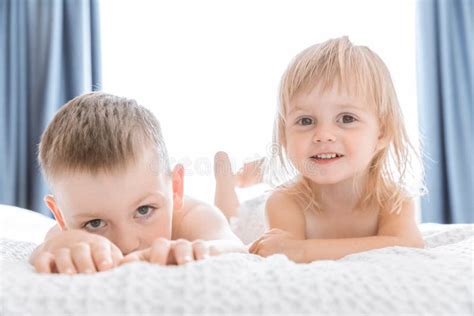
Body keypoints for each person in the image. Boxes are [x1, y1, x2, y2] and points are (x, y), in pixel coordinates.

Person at [215, 36, 425, 262]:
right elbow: (281, 253)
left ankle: (260, 171)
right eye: (305, 121)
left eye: (346, 118)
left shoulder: (394, 200)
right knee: (228, 223)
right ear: (285, 136)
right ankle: (227, 180)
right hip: (255, 219)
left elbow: (407, 244)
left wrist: (302, 249)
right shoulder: (284, 202)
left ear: (381, 133)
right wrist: (292, 249)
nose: (323, 135)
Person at [30, 92, 245, 274]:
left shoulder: (195, 217)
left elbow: (237, 248)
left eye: (144, 210)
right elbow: (43, 251)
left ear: (175, 188)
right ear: (60, 217)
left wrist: (197, 250)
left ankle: (225, 179)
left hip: (225, 217)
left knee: (231, 214)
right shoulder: (69, 232)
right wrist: (61, 247)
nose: (126, 244)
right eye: (94, 224)